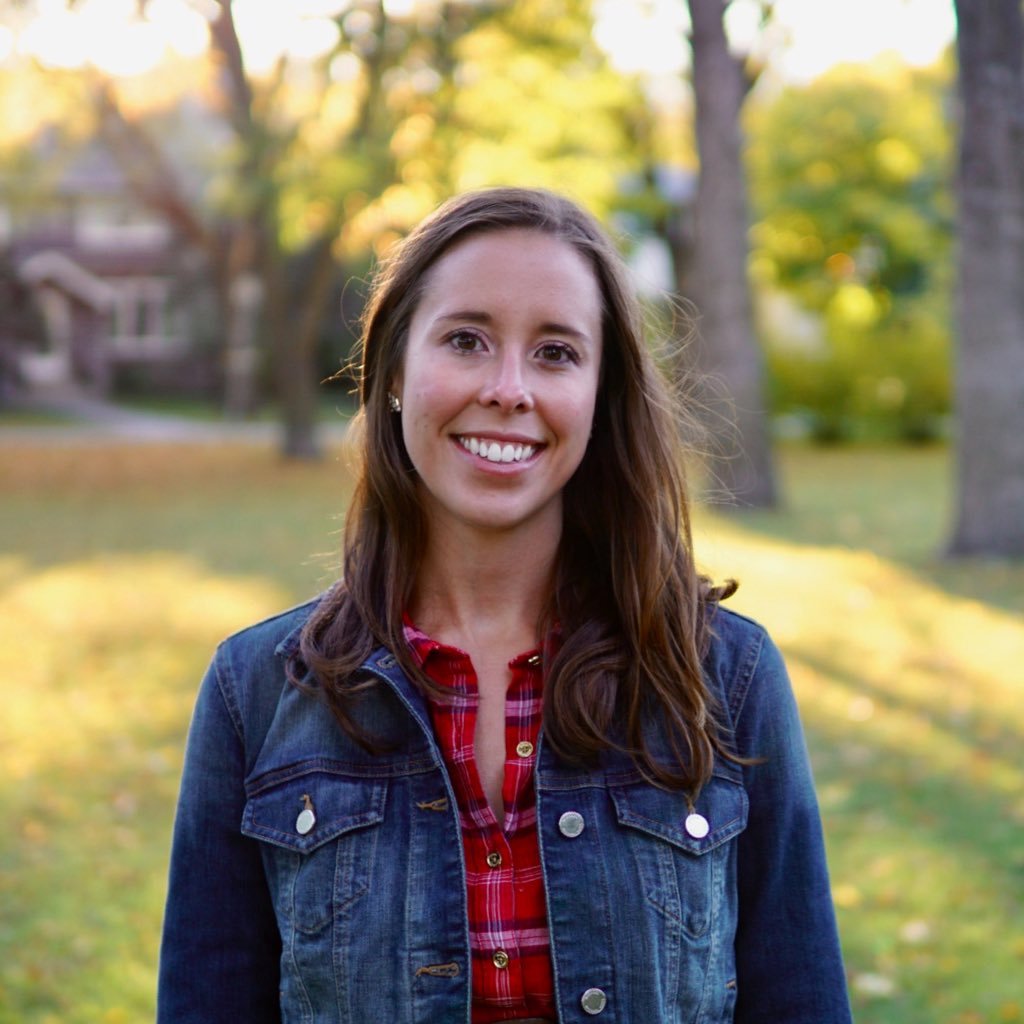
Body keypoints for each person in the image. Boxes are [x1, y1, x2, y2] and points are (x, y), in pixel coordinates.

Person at [158, 187, 852, 1024]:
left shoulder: (726, 679)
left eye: (556, 353)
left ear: (603, 396)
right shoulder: (256, 692)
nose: (509, 388)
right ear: (392, 376)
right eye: (465, 340)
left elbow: (802, 1000)